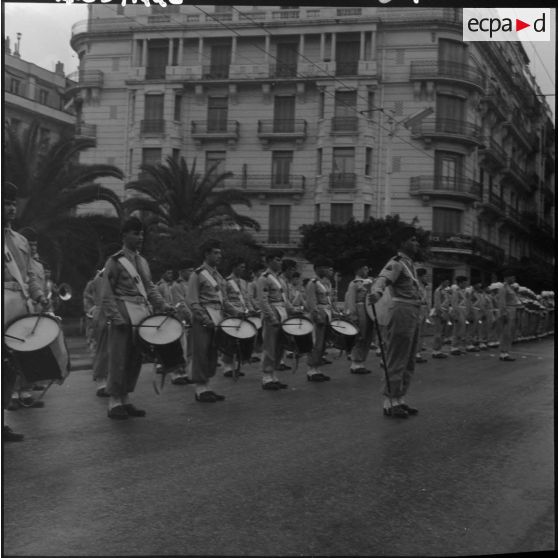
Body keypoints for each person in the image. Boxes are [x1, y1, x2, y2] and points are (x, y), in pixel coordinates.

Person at [101, 217, 176, 419]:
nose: (140, 237)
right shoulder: (114, 261)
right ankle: (113, 401)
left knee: (134, 358)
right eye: (135, 233)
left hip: (141, 312)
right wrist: (116, 317)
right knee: (119, 357)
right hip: (123, 311)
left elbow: (149, 288)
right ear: (124, 235)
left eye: (142, 233)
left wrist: (164, 305)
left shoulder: (142, 261)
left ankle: (125, 398)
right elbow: (106, 293)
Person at [3, 182, 50, 441]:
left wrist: (39, 295)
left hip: (18, 309)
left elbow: (31, 276)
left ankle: (3, 421)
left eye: (12, 203)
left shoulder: (20, 241)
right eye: (5, 203)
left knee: (11, 368)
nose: (11, 208)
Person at [369, 226, 423, 419]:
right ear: (402, 243)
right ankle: (389, 401)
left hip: (413, 310)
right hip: (401, 310)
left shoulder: (410, 264)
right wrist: (376, 292)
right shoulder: (397, 262)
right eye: (413, 240)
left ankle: (400, 398)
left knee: (408, 358)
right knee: (397, 355)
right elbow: (382, 278)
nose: (416, 243)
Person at [187, 240, 228, 402]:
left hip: (217, 318)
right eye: (216, 253)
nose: (220, 256)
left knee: (212, 353)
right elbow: (192, 300)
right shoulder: (197, 274)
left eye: (220, 252)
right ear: (207, 254)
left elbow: (223, 301)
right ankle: (200, 389)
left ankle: (207, 386)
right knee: (201, 353)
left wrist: (236, 312)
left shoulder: (218, 275)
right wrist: (204, 318)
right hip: (203, 319)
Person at [257, 249, 293, 390]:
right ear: (269, 261)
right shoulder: (264, 278)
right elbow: (263, 301)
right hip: (272, 313)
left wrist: (293, 310)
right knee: (270, 345)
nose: (280, 263)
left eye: (280, 260)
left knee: (280, 346)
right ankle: (266, 376)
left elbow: (285, 299)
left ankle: (274, 374)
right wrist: (271, 317)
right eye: (277, 260)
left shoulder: (280, 280)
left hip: (282, 313)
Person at [222, 257, 257, 378]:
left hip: (243, 313)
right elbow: (225, 299)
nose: (243, 269)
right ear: (234, 267)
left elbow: (246, 298)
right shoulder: (226, 281)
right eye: (241, 267)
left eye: (244, 267)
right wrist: (234, 311)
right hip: (231, 314)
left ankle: (236, 365)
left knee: (241, 340)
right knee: (230, 341)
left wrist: (251, 309)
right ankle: (227, 366)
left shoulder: (243, 282)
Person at [306, 256, 335, 382]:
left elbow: (329, 301)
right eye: (326, 268)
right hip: (319, 315)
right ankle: (311, 369)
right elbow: (311, 302)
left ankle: (317, 368)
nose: (329, 270)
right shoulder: (312, 283)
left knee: (323, 343)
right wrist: (317, 316)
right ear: (318, 269)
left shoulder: (327, 283)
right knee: (316, 342)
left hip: (327, 314)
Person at [344, 259, 374, 374]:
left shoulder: (369, 282)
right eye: (365, 268)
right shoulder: (354, 284)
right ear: (359, 269)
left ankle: (361, 361)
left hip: (369, 310)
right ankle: (355, 362)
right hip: (360, 309)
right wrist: (353, 315)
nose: (366, 271)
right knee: (360, 336)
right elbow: (351, 300)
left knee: (368, 336)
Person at [170, 260, 195, 385]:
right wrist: (191, 316)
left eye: (192, 270)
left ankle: (185, 372)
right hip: (181, 320)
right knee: (180, 348)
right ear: (182, 272)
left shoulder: (191, 284)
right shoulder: (177, 286)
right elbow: (181, 304)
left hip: (191, 320)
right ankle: (176, 374)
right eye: (189, 270)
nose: (191, 273)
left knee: (189, 349)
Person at [497, 269, 522, 361]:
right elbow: (502, 302)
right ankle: (503, 353)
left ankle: (505, 352)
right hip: (507, 311)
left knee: (509, 333)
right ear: (507, 278)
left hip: (512, 310)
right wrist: (504, 314)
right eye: (512, 277)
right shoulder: (503, 288)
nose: (514, 279)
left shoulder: (510, 288)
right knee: (506, 333)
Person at [430, 277, 451, 359]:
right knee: (438, 333)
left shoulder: (446, 291)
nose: (448, 284)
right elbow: (437, 304)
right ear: (442, 282)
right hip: (440, 313)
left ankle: (439, 350)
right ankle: (435, 351)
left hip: (445, 313)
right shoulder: (438, 291)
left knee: (443, 332)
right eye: (446, 282)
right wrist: (440, 314)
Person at [449, 275, 469, 356]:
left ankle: (459, 347)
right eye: (464, 283)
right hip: (458, 311)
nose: (465, 284)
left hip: (464, 311)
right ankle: (454, 347)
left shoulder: (464, 291)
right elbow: (454, 303)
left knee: (462, 330)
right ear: (460, 283)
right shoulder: (456, 291)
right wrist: (455, 315)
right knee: (457, 329)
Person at [415, 268, 430, 363]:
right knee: (416, 332)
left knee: (421, 333)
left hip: (423, 310)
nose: (426, 278)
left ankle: (418, 352)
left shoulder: (424, 287)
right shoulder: (416, 286)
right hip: (417, 309)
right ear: (420, 276)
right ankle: (414, 353)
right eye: (425, 276)